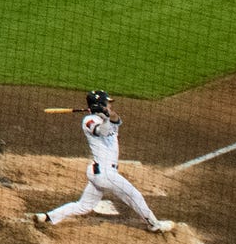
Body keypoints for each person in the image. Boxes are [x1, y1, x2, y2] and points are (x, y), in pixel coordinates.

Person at [36, 89, 172, 234]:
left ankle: (47, 217)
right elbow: (103, 131)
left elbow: (117, 119)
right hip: (105, 173)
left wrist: (106, 114)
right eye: (107, 102)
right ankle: (154, 224)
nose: (110, 105)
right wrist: (105, 117)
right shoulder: (88, 121)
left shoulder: (108, 117)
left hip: (100, 172)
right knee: (134, 195)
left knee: (84, 206)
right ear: (100, 103)